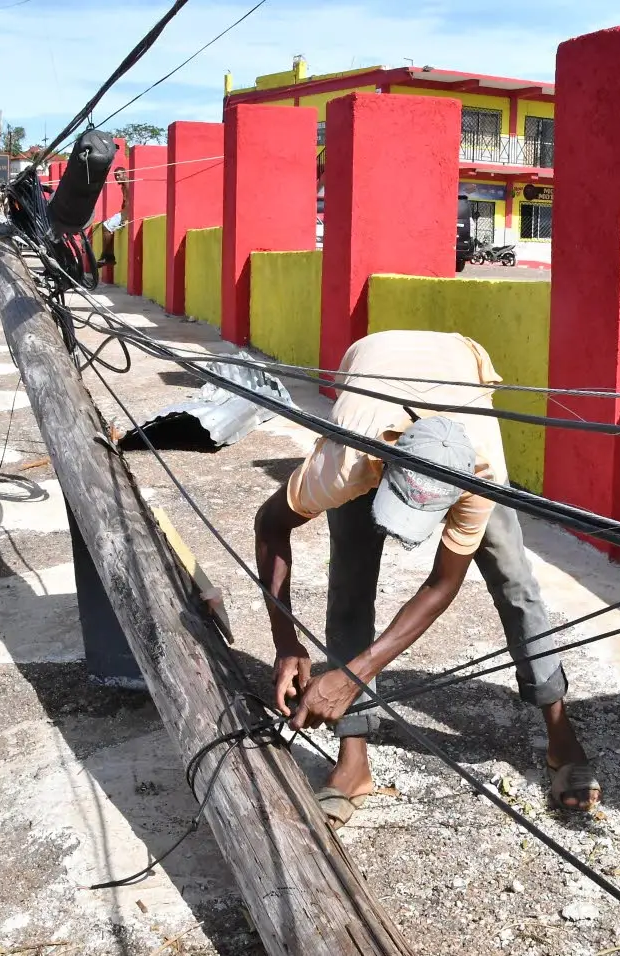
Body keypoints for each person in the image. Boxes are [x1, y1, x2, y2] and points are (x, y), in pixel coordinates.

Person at [254, 330, 599, 830]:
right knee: (349, 585)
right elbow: (270, 525)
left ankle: (560, 734)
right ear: (384, 468)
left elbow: (442, 584)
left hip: (459, 373)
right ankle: (353, 763)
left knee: (514, 581)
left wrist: (354, 673)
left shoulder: (480, 474)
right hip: (374, 373)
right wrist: (285, 642)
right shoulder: (345, 461)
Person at [98, 168, 130, 265]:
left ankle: (106, 256)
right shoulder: (123, 186)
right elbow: (125, 202)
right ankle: (109, 256)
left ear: (125, 174)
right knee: (107, 226)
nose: (117, 177)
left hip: (128, 213)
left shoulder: (128, 184)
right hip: (125, 211)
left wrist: (126, 218)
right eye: (116, 176)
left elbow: (132, 202)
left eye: (119, 175)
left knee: (107, 226)